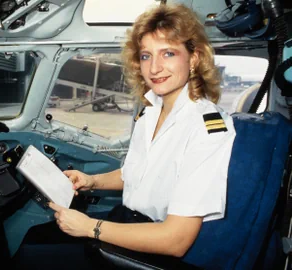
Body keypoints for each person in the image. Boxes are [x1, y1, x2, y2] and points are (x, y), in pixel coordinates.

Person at [13, 3, 236, 269]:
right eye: (145, 56)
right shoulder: (150, 111)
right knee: (35, 238)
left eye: (168, 53)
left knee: (33, 257)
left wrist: (91, 228)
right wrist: (91, 180)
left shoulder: (207, 128)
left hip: (156, 245)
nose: (154, 68)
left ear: (194, 58)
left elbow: (176, 240)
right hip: (127, 219)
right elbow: (135, 173)